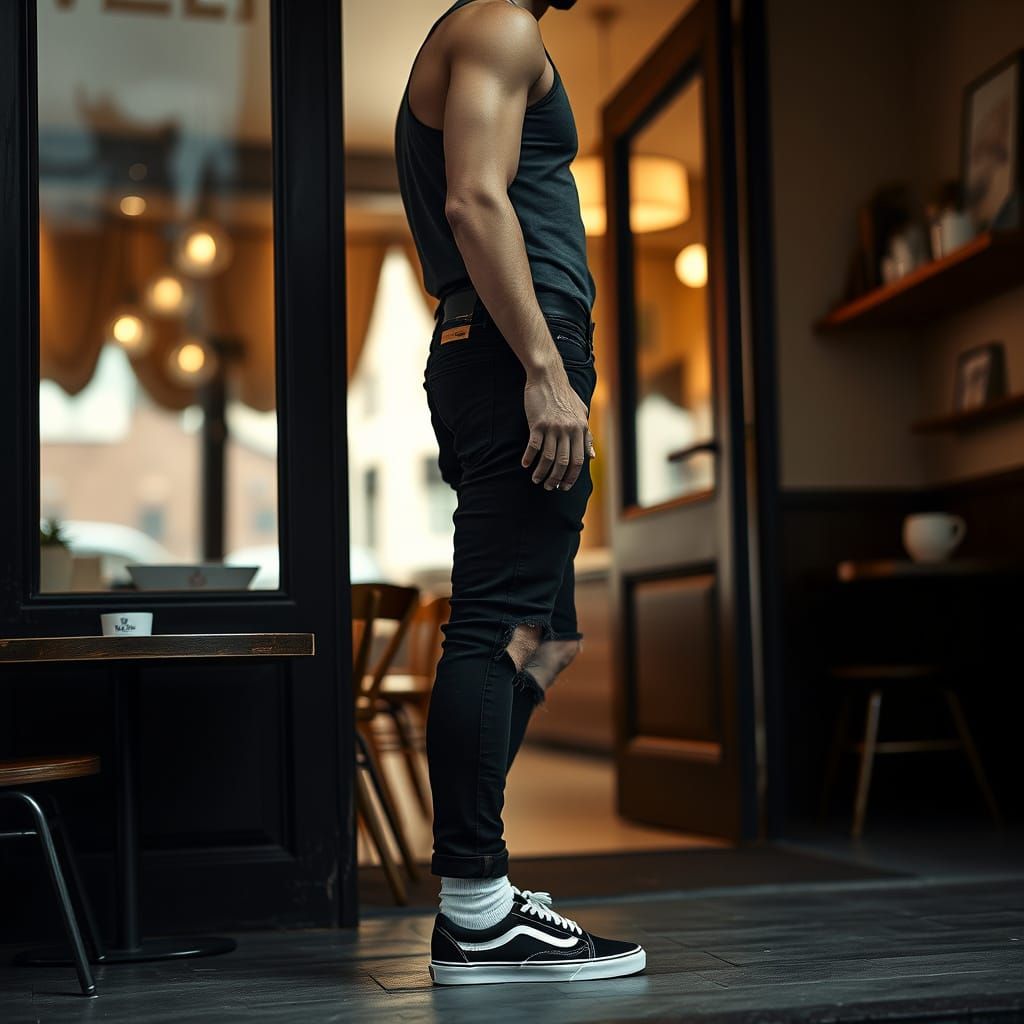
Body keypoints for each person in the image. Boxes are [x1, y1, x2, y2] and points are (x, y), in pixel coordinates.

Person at [394, 0, 646, 986]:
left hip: (494, 345)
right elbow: (475, 202)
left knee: (546, 629)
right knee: (497, 620)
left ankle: (481, 887)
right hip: (513, 346)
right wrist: (545, 370)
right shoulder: (499, 23)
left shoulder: (489, 30)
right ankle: (475, 908)